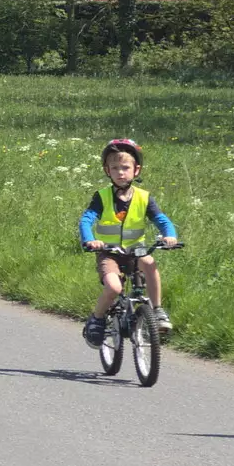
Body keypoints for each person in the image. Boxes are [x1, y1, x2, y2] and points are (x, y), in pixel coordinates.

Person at [80, 137, 177, 344]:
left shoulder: (144, 197)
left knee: (149, 262)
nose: (120, 172)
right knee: (114, 288)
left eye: (125, 167)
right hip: (109, 253)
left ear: (136, 170)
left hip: (136, 251)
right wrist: (90, 240)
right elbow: (87, 219)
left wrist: (170, 236)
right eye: (115, 168)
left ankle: (157, 310)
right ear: (107, 171)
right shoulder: (102, 196)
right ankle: (96, 319)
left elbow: (161, 219)